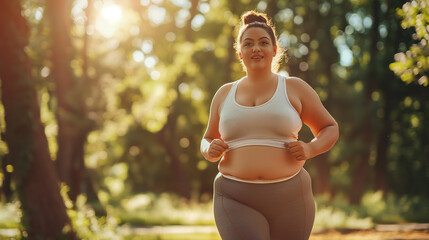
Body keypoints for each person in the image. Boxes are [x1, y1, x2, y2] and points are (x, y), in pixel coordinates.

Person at [200, 10, 339, 240]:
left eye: (263, 42)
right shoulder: (224, 94)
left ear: (274, 50)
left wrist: (310, 148)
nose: (256, 48)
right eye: (248, 44)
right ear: (240, 52)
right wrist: (209, 149)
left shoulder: (294, 88)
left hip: (292, 198)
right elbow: (206, 139)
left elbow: (329, 127)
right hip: (235, 197)